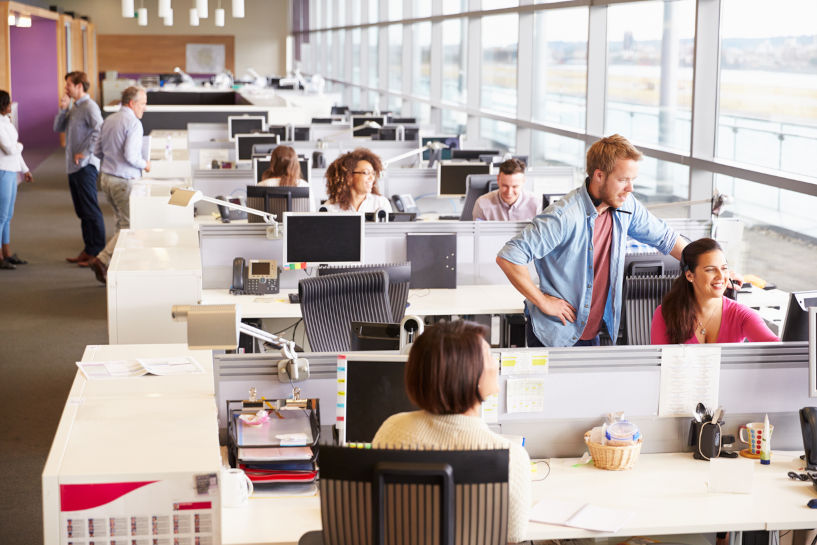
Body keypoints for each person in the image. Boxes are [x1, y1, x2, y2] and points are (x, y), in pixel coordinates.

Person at [496, 134, 686, 347]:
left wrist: (714, 265)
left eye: (632, 180)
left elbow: (667, 239)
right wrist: (542, 302)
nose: (630, 188)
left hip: (591, 330)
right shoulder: (564, 216)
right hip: (556, 333)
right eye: (623, 180)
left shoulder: (626, 206)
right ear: (599, 175)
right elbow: (510, 256)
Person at [372, 320, 530, 544]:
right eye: (489, 356)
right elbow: (514, 536)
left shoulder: (393, 430)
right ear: (470, 377)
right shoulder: (509, 457)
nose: (496, 363)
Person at [651, 238, 779, 344]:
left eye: (724, 269)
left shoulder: (742, 315)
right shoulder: (665, 314)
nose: (721, 276)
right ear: (690, 275)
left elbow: (778, 349)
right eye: (710, 270)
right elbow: (658, 365)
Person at [88, 86, 150, 284]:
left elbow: (97, 151)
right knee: (130, 225)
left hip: (106, 178)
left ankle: (116, 267)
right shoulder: (133, 123)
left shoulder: (109, 119)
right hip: (123, 180)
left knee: (120, 223)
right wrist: (145, 164)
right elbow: (132, 156)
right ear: (132, 103)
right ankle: (102, 259)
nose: (145, 108)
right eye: (143, 103)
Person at [53, 71, 105, 267]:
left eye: (68, 85)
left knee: (91, 210)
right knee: (82, 211)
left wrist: (85, 151)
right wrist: (63, 109)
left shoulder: (90, 107)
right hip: (73, 167)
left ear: (79, 86)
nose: (66, 88)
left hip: (86, 166)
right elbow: (58, 128)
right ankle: (88, 249)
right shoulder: (75, 107)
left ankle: (98, 254)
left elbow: (99, 130)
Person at [0, 89, 34, 270]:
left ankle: (7, 252)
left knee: (8, 216)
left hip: (12, 171)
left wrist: (25, 169)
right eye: (8, 102)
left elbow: (15, 151)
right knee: (1, 216)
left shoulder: (7, 122)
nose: (11, 105)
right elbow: (10, 149)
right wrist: (19, 146)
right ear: (3, 105)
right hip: (2, 171)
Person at [322, 147, 392, 213]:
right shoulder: (330, 207)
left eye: (373, 173)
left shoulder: (381, 203)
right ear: (349, 177)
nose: (372, 178)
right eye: (366, 172)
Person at [473, 158, 539, 221]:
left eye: (515, 186)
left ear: (523, 181)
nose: (509, 192)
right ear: (498, 179)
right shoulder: (482, 204)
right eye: (505, 186)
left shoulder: (536, 204)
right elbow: (478, 232)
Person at [259, 145, 316, 211]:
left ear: (273, 163)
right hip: (297, 222)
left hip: (270, 221)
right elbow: (312, 215)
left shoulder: (260, 186)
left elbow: (254, 218)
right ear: (295, 165)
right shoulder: (306, 187)